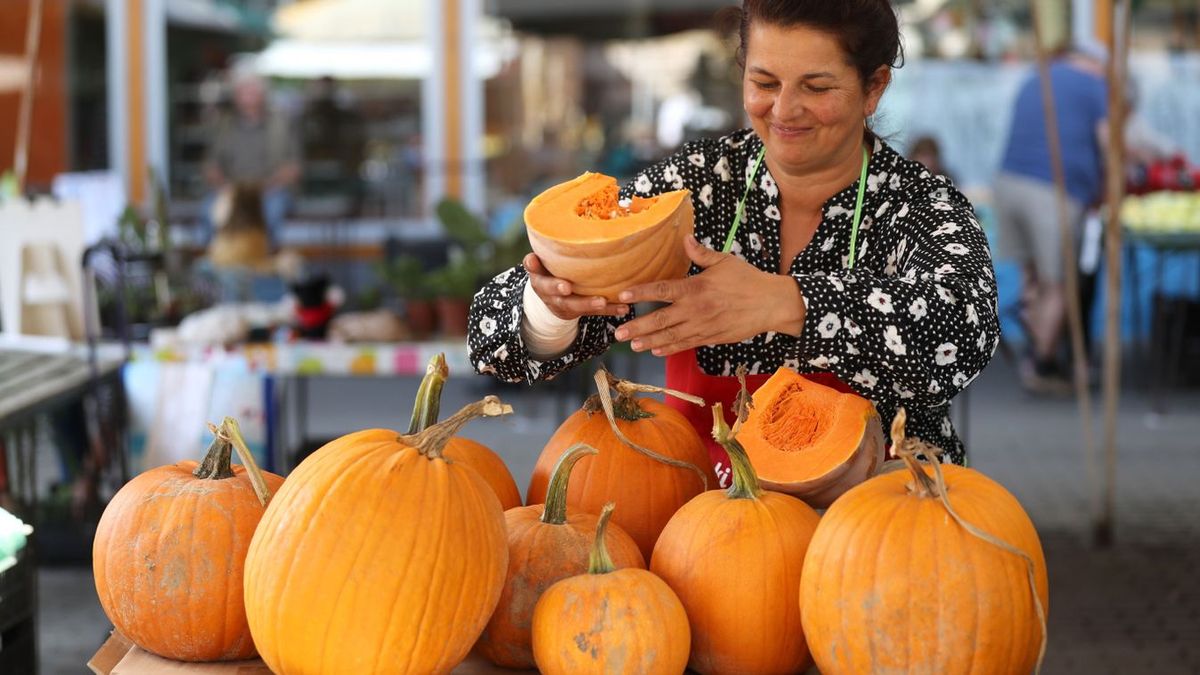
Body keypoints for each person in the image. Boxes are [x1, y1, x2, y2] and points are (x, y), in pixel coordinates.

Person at [469, 0, 999, 483]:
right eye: (765, 82)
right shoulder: (698, 185)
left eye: (816, 88)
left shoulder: (921, 205)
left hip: (880, 531)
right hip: (707, 527)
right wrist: (551, 308)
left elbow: (965, 330)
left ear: (874, 87)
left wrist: (787, 302)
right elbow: (494, 344)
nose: (785, 110)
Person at [993, 44, 1108, 393]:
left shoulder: (1035, 78)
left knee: (1033, 277)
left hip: (1008, 183)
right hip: (1053, 191)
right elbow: (1108, 141)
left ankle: (1034, 329)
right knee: (1058, 285)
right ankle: (1041, 364)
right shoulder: (1094, 85)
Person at [203, 69, 301, 247]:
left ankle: (261, 268)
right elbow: (211, 167)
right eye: (243, 90)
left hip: (270, 191)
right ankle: (220, 269)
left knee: (270, 215)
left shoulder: (280, 124)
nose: (248, 95)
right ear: (235, 95)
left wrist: (266, 188)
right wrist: (224, 188)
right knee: (210, 213)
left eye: (253, 90)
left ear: (263, 94)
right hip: (232, 192)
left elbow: (293, 169)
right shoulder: (223, 126)